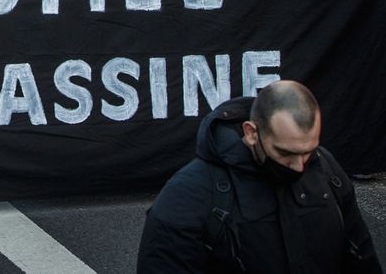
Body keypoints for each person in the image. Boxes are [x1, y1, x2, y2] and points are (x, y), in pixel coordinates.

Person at [137, 80, 380, 273]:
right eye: (285, 153)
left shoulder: (327, 171)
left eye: (308, 152)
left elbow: (361, 260)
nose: (298, 167)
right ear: (251, 133)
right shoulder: (187, 198)